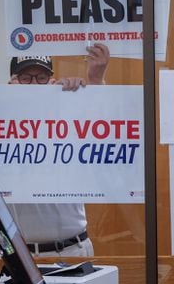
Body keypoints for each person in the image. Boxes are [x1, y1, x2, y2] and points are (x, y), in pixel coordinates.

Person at [7, 44, 110, 257]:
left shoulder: (67, 114)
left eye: (41, 78)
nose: (34, 84)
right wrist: (8, 101)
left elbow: (105, 132)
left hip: (74, 248)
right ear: (11, 82)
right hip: (23, 255)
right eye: (26, 78)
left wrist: (95, 81)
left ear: (52, 81)